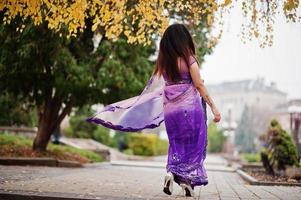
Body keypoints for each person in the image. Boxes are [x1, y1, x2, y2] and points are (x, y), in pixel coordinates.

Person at [86, 23, 221, 197]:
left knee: (176, 143)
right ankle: (184, 177)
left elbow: (164, 86)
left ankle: (174, 174)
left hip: (171, 109)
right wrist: (213, 107)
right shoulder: (189, 59)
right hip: (189, 108)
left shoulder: (165, 63)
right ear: (184, 39)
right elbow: (199, 84)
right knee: (193, 143)